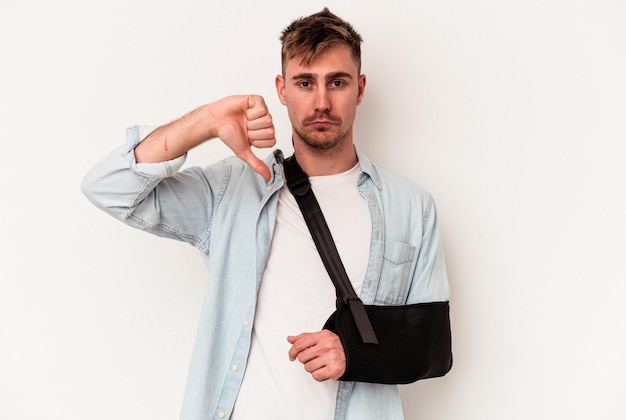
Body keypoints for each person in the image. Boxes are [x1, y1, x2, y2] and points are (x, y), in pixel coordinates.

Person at [82, 7, 450, 420]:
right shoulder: (232, 191)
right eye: (305, 83)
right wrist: (206, 121)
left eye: (338, 82)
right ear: (281, 88)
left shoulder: (411, 206)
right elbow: (107, 187)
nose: (322, 101)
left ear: (360, 88)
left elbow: (434, 349)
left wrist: (355, 353)